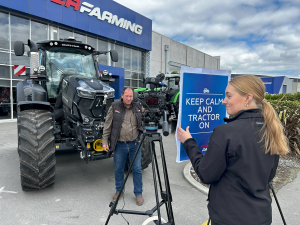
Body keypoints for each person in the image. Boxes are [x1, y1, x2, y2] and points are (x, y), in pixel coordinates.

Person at [177, 75, 289, 225]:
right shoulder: (271, 129)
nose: (223, 101)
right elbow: (269, 175)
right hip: (262, 217)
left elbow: (206, 175)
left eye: (228, 96)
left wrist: (188, 142)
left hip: (230, 218)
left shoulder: (225, 132)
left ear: (247, 98)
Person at [102, 87, 144, 206]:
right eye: (127, 96)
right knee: (119, 169)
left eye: (131, 96)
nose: (129, 98)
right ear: (122, 95)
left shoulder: (138, 106)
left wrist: (141, 135)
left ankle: (138, 193)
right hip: (120, 144)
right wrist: (105, 140)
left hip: (135, 143)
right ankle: (119, 191)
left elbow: (143, 122)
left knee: (136, 169)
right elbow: (107, 125)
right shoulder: (114, 106)